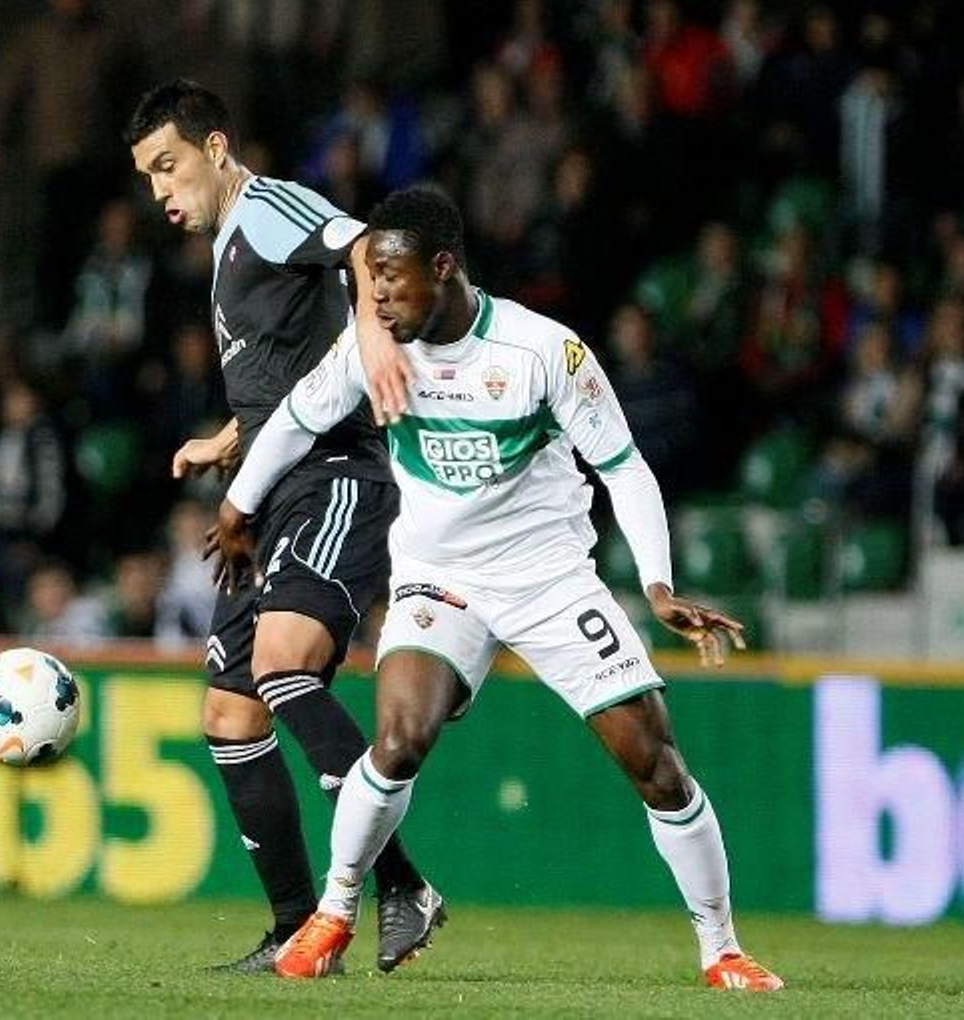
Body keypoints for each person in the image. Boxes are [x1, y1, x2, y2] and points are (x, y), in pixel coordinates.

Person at [214, 187, 783, 991]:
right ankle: (334, 914)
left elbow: (623, 467)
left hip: (548, 579)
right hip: (439, 577)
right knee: (398, 738)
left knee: (654, 762)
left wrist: (657, 585)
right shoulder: (373, 350)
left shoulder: (542, 351)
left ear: (443, 268)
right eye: (370, 279)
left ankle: (721, 948)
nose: (376, 296)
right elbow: (296, 421)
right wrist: (237, 507)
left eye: (391, 277)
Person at [125, 79, 439, 973]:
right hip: (268, 491)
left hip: (336, 477)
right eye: (149, 178)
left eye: (169, 166)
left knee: (282, 665)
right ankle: (297, 928)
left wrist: (374, 336)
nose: (162, 191)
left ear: (215, 148)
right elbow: (290, 375)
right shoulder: (231, 246)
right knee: (230, 712)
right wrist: (228, 438)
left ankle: (404, 886)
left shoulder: (266, 208)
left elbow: (368, 244)